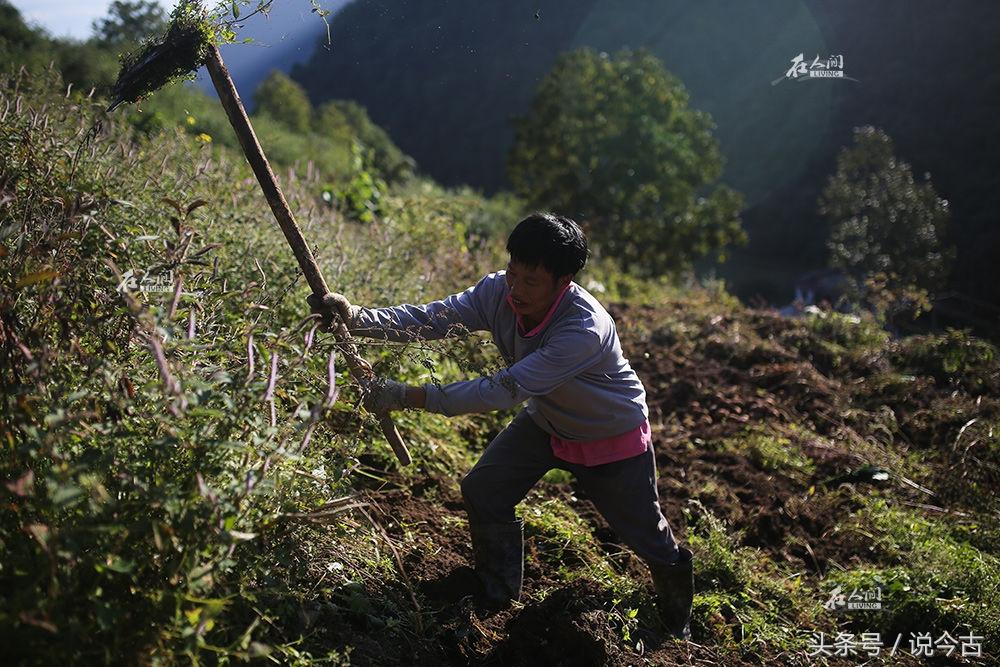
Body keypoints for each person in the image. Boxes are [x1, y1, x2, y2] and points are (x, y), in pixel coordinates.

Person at [308, 213, 694, 639]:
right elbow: (434, 319)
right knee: (484, 489)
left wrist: (408, 396)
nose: (516, 289)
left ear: (563, 281)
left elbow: (502, 389)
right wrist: (357, 318)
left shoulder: (583, 329)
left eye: (531, 282)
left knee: (648, 539)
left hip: (610, 436)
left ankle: (676, 622)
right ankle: (497, 592)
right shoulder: (498, 292)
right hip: (547, 420)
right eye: (514, 273)